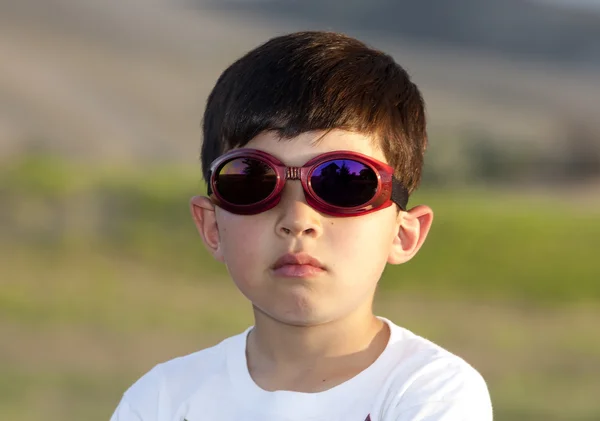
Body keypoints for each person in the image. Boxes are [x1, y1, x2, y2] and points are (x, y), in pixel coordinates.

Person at [110, 31, 493, 421]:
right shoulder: (162, 400)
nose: (297, 219)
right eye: (252, 180)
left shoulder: (429, 391)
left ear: (403, 234)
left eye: (344, 182)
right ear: (212, 226)